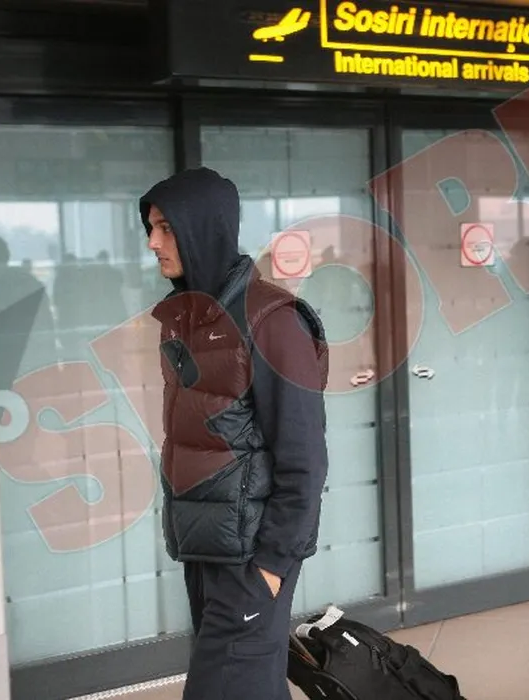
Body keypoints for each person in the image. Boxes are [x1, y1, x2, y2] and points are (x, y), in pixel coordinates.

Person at [139, 167, 330, 700]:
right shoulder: (188, 318)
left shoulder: (271, 321)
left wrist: (271, 565)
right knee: (249, 686)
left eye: (165, 228)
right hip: (208, 550)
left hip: (252, 558)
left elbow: (304, 459)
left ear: (202, 227)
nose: (153, 242)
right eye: (151, 228)